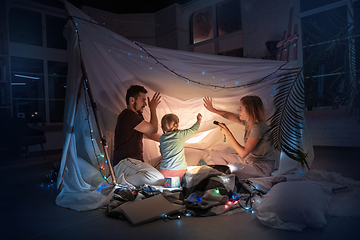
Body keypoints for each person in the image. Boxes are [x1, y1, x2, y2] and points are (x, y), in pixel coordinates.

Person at [203, 96, 275, 179]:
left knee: (234, 167)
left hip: (261, 167)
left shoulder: (258, 127)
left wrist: (228, 133)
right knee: (215, 154)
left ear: (250, 110)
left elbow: (243, 153)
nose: (238, 111)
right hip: (248, 161)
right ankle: (226, 174)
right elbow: (230, 116)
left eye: (240, 109)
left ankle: (227, 175)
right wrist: (213, 110)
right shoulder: (249, 123)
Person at [112, 85, 164, 186]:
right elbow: (153, 129)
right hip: (124, 162)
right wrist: (153, 108)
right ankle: (118, 181)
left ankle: (134, 179)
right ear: (132, 100)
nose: (145, 104)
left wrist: (170, 140)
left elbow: (149, 134)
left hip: (136, 162)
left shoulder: (137, 116)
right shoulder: (127, 115)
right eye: (143, 100)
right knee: (157, 178)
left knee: (167, 158)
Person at [159, 113, 202, 180]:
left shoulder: (162, 138)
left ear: (162, 127)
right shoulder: (180, 134)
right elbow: (193, 129)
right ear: (177, 125)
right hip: (179, 170)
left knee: (166, 188)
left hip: (164, 171)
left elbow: (162, 152)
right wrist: (198, 120)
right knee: (182, 187)